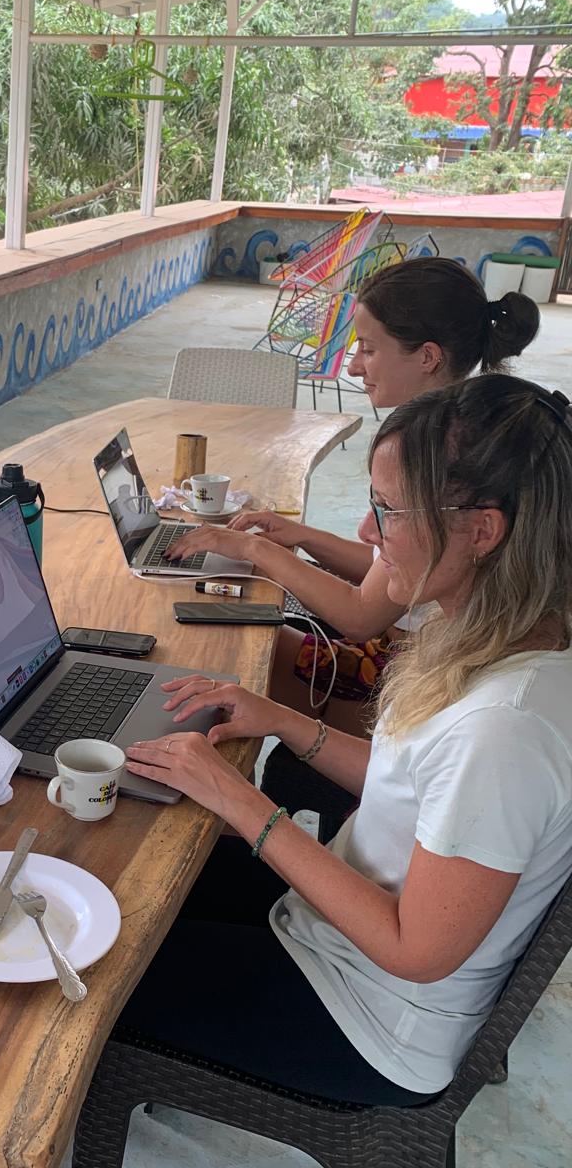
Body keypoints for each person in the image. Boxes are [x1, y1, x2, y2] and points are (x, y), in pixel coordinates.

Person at [120, 374, 572, 1102]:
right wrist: (282, 721)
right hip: (331, 932)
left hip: (365, 1015)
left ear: (483, 531)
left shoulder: (506, 731)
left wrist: (239, 800)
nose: (365, 532)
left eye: (387, 510)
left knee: (89, 976)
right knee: (127, 887)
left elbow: (414, 950)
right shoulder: (498, 635)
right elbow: (411, 790)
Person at [168, 256, 540, 724]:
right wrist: (300, 537)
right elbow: (389, 565)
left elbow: (362, 615)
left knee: (227, 646)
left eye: (368, 348)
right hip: (410, 644)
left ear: (427, 356)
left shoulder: (437, 457)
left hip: (405, 667)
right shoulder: (457, 429)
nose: (353, 366)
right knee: (240, 616)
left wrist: (252, 548)